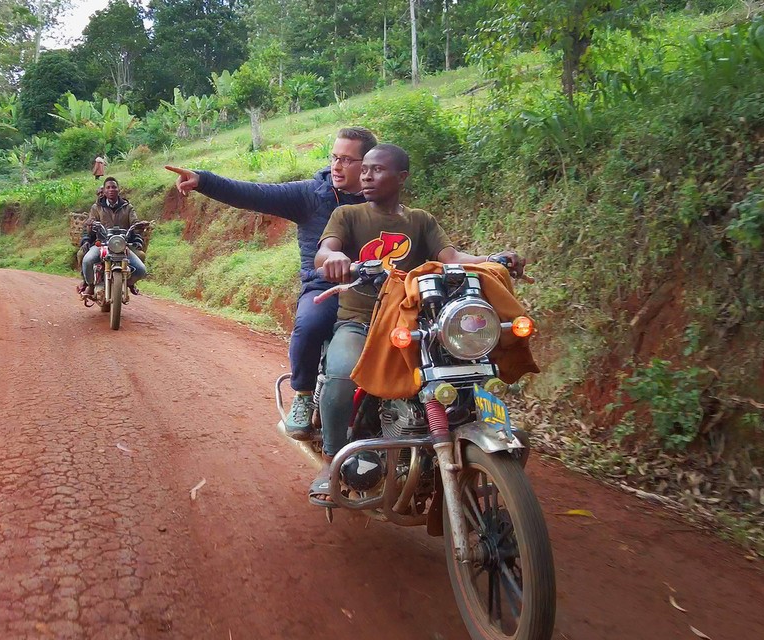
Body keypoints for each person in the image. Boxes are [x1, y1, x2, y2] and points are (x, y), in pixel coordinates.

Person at [309, 143, 526, 504]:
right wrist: (332, 258)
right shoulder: (348, 216)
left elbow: (453, 257)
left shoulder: (421, 221)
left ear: (402, 177)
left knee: (466, 373)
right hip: (360, 321)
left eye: (377, 170)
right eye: (365, 169)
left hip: (416, 323)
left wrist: (492, 258)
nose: (366, 175)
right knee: (343, 371)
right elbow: (325, 250)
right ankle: (332, 460)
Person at [165, 127, 378, 441]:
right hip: (324, 287)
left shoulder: (381, 199)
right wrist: (204, 180)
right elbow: (255, 193)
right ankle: (304, 395)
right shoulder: (311, 195)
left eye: (347, 160)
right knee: (310, 323)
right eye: (334, 157)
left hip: (374, 289)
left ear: (368, 165)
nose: (336, 165)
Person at [78, 177, 148, 297]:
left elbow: (134, 222)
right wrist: (90, 226)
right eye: (108, 187)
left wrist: (139, 226)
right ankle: (90, 284)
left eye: (114, 187)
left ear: (118, 189)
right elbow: (90, 224)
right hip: (102, 244)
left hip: (122, 244)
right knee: (88, 260)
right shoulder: (97, 207)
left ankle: (128, 283)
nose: (111, 190)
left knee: (141, 270)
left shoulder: (127, 207)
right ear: (104, 191)